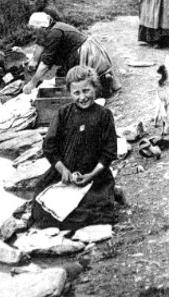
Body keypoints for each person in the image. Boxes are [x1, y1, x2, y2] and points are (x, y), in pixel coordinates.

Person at [30, 65, 117, 229]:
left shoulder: (104, 115)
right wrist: (63, 170)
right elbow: (49, 147)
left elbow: (109, 152)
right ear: (69, 93)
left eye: (86, 91)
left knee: (96, 211)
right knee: (40, 209)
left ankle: (113, 192)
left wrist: (91, 175)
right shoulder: (63, 113)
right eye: (76, 93)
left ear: (95, 89)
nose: (82, 97)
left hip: (94, 175)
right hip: (65, 173)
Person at [22, 12, 121, 97]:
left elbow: (46, 63)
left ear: (42, 28)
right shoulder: (54, 27)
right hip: (82, 47)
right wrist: (34, 60)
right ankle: (105, 83)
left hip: (84, 50)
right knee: (68, 73)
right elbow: (43, 46)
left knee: (82, 76)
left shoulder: (54, 33)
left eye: (35, 30)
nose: (34, 34)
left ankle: (104, 86)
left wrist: (33, 82)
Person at [27, 0, 61, 71]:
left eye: (32, 0)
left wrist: (34, 60)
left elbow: (43, 39)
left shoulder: (46, 12)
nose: (29, 3)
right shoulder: (47, 9)